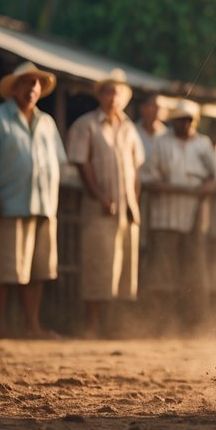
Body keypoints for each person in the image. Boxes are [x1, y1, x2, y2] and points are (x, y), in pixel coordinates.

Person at [0, 61, 67, 339]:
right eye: (26, 83)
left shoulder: (47, 123)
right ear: (14, 88)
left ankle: (31, 326)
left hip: (43, 204)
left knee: (38, 270)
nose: (32, 88)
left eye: (36, 84)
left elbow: (59, 163)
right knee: (6, 269)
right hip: (9, 202)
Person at [66, 74, 146, 338]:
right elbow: (81, 163)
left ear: (124, 97)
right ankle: (92, 325)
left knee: (123, 269)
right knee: (97, 264)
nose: (114, 97)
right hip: (98, 206)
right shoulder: (86, 125)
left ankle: (115, 326)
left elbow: (136, 169)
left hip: (126, 209)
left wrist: (133, 200)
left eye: (118, 93)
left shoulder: (129, 127)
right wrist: (99, 195)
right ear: (100, 95)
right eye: (109, 92)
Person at [146, 102, 216, 327]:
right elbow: (150, 179)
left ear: (194, 121)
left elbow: (215, 178)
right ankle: (161, 323)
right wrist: (181, 189)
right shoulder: (160, 142)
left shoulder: (204, 144)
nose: (184, 123)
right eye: (180, 119)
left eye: (188, 119)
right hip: (165, 216)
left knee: (194, 271)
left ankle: (195, 323)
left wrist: (205, 188)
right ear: (173, 121)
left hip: (195, 217)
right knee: (163, 270)